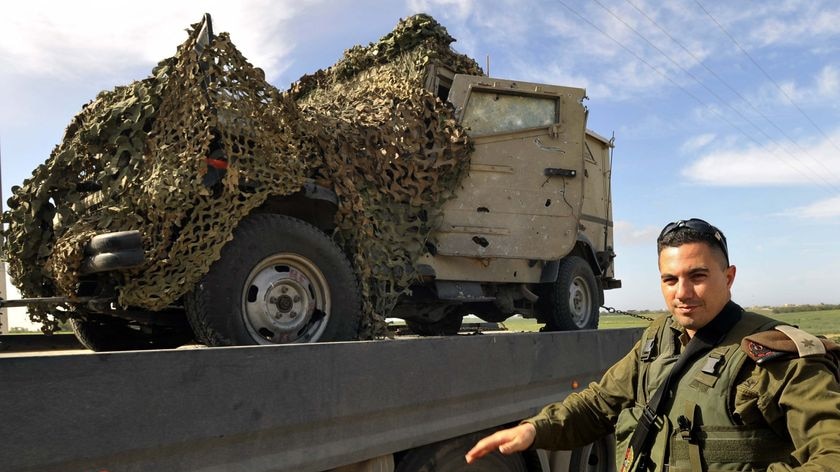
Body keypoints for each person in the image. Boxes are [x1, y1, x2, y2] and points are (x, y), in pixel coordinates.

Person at [465, 218, 840, 471]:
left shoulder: (776, 355)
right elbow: (599, 404)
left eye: (697, 276)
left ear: (728, 277)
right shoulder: (659, 339)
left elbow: (832, 451)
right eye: (670, 279)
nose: (683, 293)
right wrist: (535, 430)